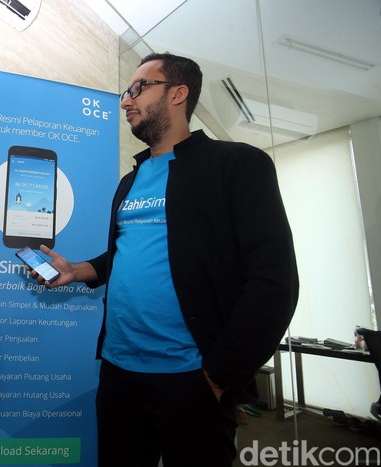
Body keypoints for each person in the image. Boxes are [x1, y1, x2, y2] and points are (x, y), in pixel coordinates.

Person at [33, 53, 298, 466]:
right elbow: (132, 253)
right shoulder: (131, 180)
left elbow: (273, 280)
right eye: (126, 92)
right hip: (119, 373)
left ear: (178, 93)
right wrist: (79, 270)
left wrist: (219, 376)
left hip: (192, 379)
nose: (126, 100)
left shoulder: (238, 165)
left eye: (138, 88)